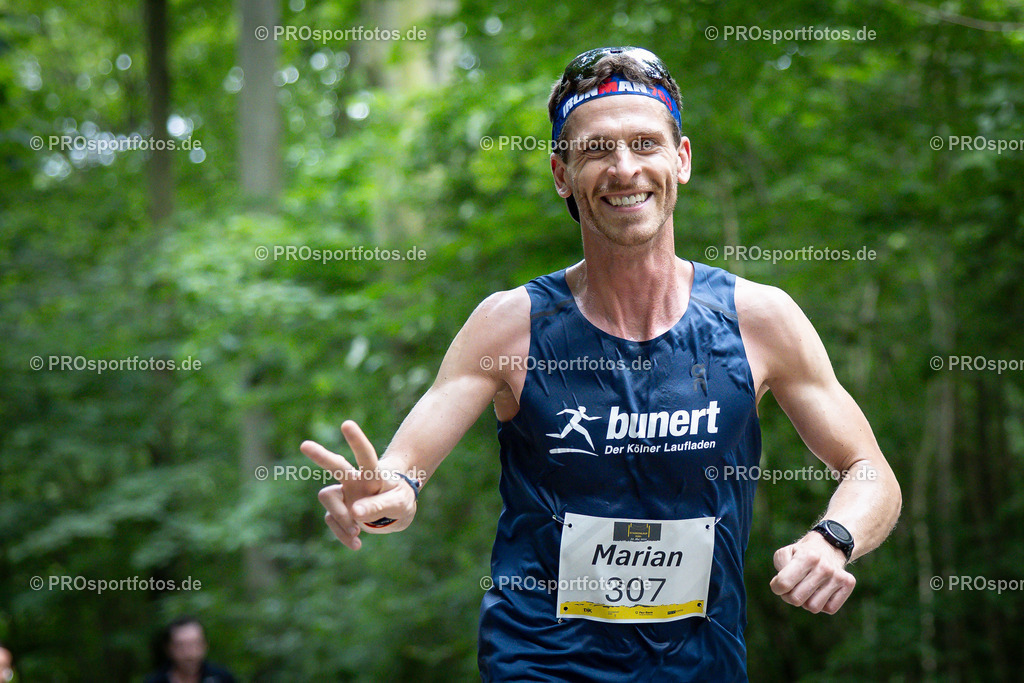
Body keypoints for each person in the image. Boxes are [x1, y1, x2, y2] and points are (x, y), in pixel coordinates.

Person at [302, 46, 901, 681]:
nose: (624, 169)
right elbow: (403, 471)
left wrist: (833, 539)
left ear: (682, 159)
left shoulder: (758, 320)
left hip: (701, 664)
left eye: (645, 144)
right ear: (562, 173)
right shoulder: (511, 324)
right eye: (596, 150)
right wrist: (389, 491)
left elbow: (871, 473)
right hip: (538, 662)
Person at [144, 617, 236, 683]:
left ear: (205, 645)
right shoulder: (155, 681)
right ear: (168, 648)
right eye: (181, 646)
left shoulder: (222, 678)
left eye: (195, 644)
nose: (189, 653)